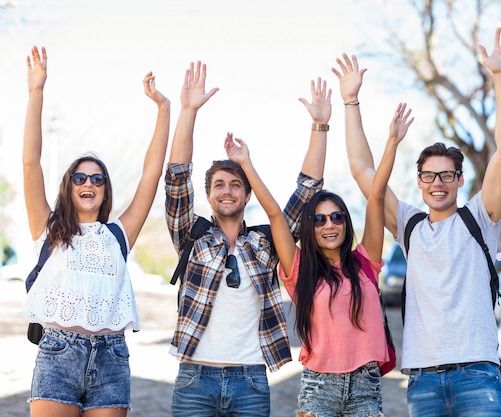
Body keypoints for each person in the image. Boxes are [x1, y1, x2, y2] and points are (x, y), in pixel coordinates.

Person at [333, 25, 501, 417]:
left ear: (460, 180)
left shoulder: (479, 218)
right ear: (419, 182)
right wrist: (350, 102)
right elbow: (363, 170)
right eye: (429, 176)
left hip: (478, 375)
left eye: (447, 175)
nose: (438, 183)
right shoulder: (410, 226)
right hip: (423, 380)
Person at [225, 102, 413, 416]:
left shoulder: (366, 262)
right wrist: (246, 164)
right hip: (318, 389)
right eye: (320, 219)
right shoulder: (300, 270)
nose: (329, 224)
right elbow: (275, 215)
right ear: (311, 228)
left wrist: (392, 143)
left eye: (337, 217)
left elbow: (377, 196)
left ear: (345, 223)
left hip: (366, 388)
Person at [164, 61, 327, 417]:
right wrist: (188, 110)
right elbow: (176, 179)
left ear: (248, 195)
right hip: (194, 377)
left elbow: (307, 192)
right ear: (208, 196)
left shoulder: (267, 242)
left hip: (250, 380)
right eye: (219, 185)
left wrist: (320, 126)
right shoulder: (192, 236)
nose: (227, 191)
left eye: (236, 184)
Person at [21, 46, 171, 417]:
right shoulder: (50, 227)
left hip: (111, 358)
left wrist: (163, 108)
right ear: (69, 186)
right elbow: (30, 163)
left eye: (98, 178)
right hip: (58, 355)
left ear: (105, 190)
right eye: (80, 177)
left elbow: (151, 176)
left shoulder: (119, 235)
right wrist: (36, 93)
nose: (89, 182)